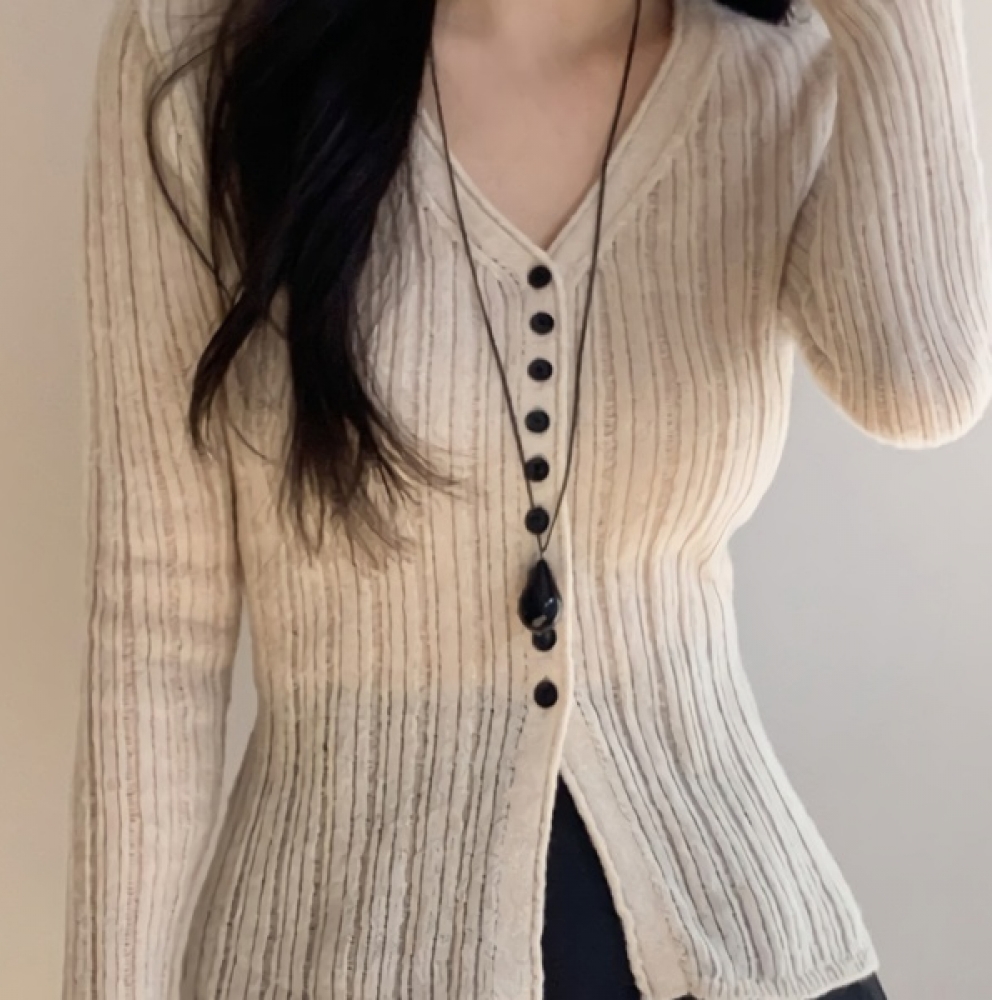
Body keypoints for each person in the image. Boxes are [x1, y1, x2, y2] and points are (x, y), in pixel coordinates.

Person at [62, 0, 992, 997]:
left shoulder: (770, 71)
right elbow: (156, 633)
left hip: (750, 948)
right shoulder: (200, 53)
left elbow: (925, 385)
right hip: (336, 947)